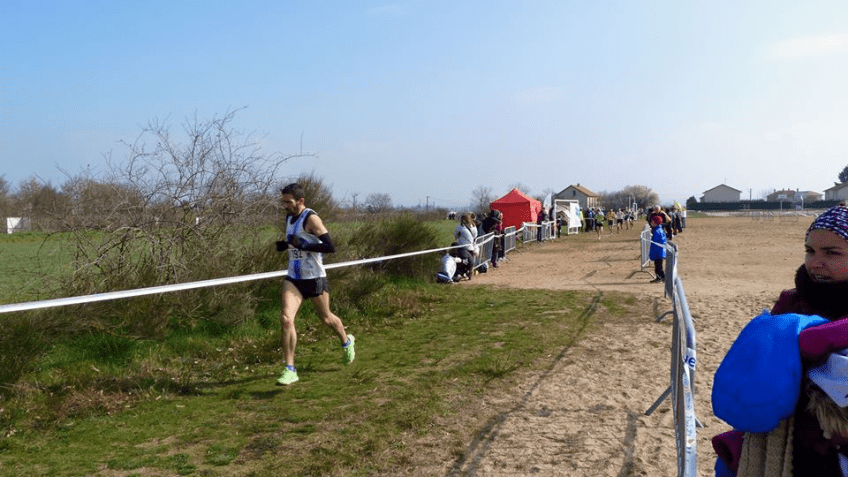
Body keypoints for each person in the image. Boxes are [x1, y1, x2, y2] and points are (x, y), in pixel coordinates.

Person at [711, 204, 848, 476]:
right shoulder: (791, 302)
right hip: (785, 445)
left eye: (831, 253)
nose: (815, 263)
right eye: (810, 251)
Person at [275, 183, 355, 386]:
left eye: (289, 202)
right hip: (294, 277)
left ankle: (346, 341)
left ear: (300, 201)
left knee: (326, 318)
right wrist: (286, 245)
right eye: (284, 201)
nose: (285, 205)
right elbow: (296, 243)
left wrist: (305, 245)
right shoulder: (289, 218)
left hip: (314, 277)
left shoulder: (311, 218)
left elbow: (330, 246)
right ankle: (290, 369)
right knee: (286, 319)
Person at [454, 213, 479, 279]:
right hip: (463, 247)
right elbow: (456, 235)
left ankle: (466, 273)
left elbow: (456, 235)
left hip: (469, 247)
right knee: (467, 261)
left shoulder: (470, 226)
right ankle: (462, 273)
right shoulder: (461, 226)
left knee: (469, 262)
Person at [649, 215, 666, 283]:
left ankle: (659, 278)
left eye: (652, 221)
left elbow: (655, 241)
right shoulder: (660, 230)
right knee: (659, 266)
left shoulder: (656, 231)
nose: (651, 222)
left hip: (657, 251)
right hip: (660, 251)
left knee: (658, 266)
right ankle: (663, 277)